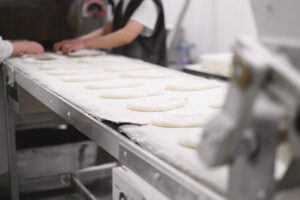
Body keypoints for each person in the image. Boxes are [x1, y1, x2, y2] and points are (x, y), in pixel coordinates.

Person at [54, 0, 167, 66]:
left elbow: (127, 35)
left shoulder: (148, 3)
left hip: (145, 69)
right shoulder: (122, 3)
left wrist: (85, 44)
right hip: (124, 67)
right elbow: (106, 29)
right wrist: (77, 41)